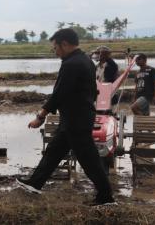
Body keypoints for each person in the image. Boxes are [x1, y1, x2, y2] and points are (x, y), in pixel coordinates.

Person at [18, 28, 115, 206]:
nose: (55, 52)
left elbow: (59, 94)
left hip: (76, 120)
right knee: (54, 152)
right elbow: (93, 91)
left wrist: (41, 116)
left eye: (55, 48)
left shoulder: (71, 64)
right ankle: (35, 183)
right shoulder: (85, 60)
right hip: (75, 117)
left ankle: (106, 197)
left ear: (64, 44)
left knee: (89, 160)